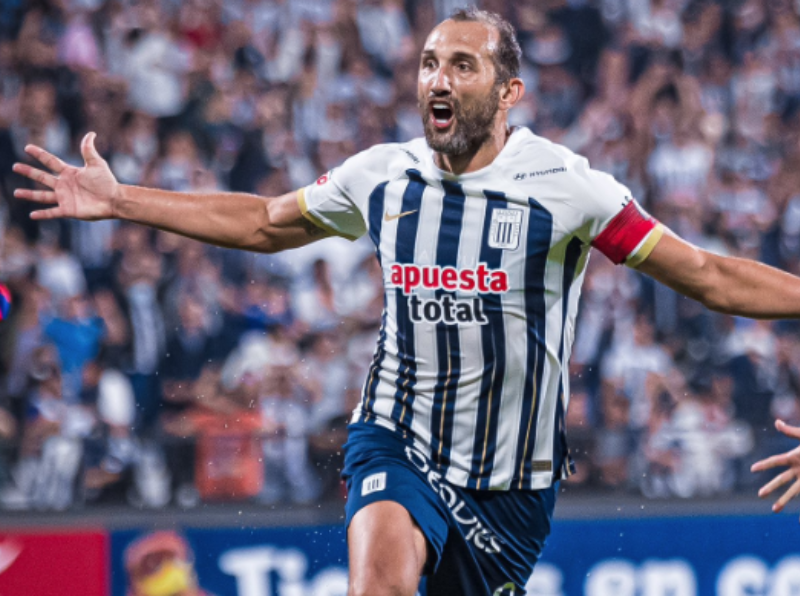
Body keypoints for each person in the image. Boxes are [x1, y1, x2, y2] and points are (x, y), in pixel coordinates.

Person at [12, 7, 800, 596]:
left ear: (510, 91)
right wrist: (124, 200)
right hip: (397, 440)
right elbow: (264, 222)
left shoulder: (568, 187)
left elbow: (709, 276)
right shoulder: (383, 175)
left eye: (462, 65)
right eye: (428, 64)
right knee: (380, 586)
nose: (438, 80)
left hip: (511, 484)